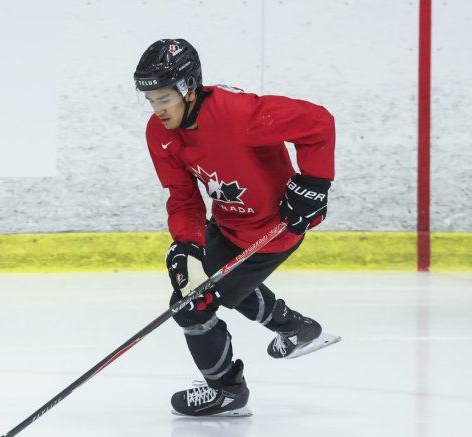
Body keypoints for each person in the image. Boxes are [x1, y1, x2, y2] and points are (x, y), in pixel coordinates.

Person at [134, 39, 341, 417]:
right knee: (209, 283)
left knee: (191, 308)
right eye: (150, 100)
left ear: (189, 88)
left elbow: (318, 122)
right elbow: (183, 197)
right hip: (227, 225)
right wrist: (186, 247)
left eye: (164, 98)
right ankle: (295, 328)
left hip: (273, 232)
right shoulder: (160, 133)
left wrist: (313, 182)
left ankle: (227, 390)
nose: (157, 109)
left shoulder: (239, 115)